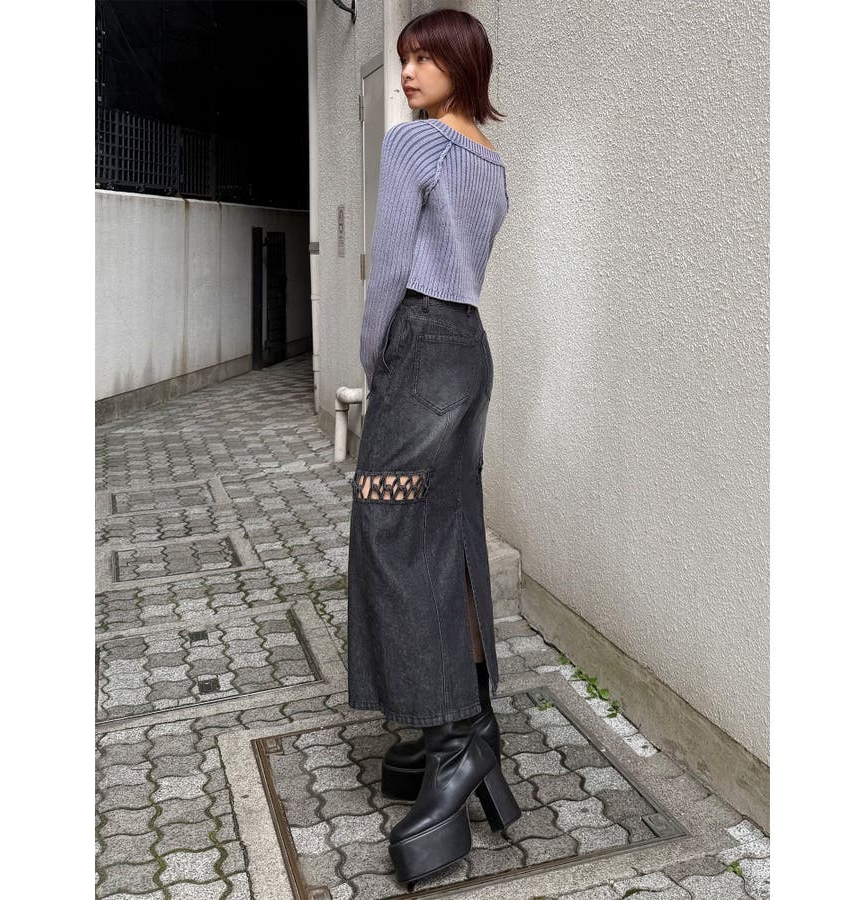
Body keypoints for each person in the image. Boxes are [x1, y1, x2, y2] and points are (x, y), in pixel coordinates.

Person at [346, 8, 520, 887]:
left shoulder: (416, 143)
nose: (409, 71)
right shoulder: (492, 161)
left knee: (391, 531)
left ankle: (454, 740)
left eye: (425, 57)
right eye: (404, 57)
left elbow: (389, 267)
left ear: (462, 64)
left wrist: (372, 359)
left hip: (417, 346)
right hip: (468, 350)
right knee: (445, 531)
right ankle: (465, 720)